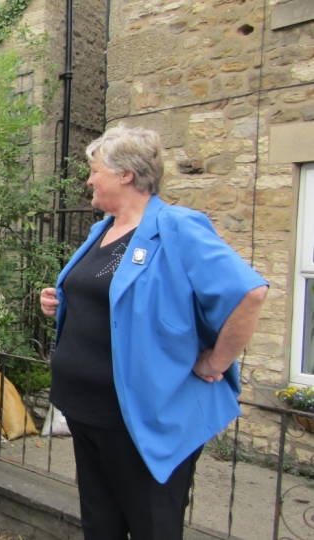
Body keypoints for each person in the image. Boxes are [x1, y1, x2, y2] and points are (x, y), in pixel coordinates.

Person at [39, 124, 268, 540]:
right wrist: (61, 300)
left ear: (126, 174)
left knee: (152, 528)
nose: (89, 179)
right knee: (100, 527)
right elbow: (113, 299)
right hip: (87, 413)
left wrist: (216, 361)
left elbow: (249, 293)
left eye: (95, 170)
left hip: (142, 421)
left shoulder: (177, 226)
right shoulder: (102, 230)